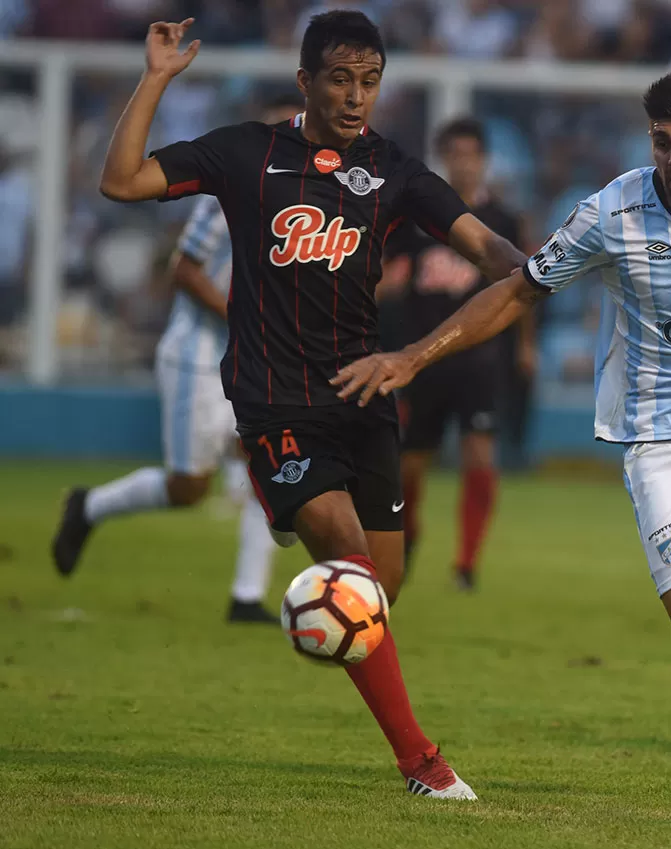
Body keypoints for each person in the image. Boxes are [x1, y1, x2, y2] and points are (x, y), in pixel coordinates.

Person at [333, 70, 671, 820]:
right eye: (662, 141)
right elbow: (520, 289)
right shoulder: (613, 211)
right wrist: (413, 356)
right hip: (658, 440)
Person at [83, 12, 529, 799]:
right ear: (305, 82)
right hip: (274, 403)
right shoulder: (247, 152)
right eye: (340, 79)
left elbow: (499, 257)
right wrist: (155, 79)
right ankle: (422, 763)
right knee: (351, 569)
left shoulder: (394, 171)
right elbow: (121, 182)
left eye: (370, 80)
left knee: (376, 595)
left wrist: (527, 273)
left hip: (364, 399)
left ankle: (323, 600)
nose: (357, 96)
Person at [50, 97, 304, 625]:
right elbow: (184, 272)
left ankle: (245, 597)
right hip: (199, 357)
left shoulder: (307, 203)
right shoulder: (229, 195)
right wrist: (247, 319)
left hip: (253, 359)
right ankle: (88, 506)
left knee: (270, 465)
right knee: (189, 487)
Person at [376, 117, 533, 592]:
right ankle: (409, 535)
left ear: (483, 160)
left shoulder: (503, 222)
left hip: (479, 358)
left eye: (472, 155)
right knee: (410, 466)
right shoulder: (421, 218)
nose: (464, 164)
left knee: (480, 456)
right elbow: (391, 276)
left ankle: (466, 563)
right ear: (445, 159)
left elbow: (527, 282)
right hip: (422, 356)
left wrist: (525, 345)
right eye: (456, 155)